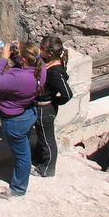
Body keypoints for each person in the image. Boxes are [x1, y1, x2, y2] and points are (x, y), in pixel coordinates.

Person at [0, 41, 41, 198]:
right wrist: (18, 55)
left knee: (22, 155)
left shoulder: (18, 78)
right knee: (23, 149)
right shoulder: (40, 70)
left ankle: (18, 189)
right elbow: (26, 68)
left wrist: (4, 58)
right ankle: (23, 176)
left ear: (24, 60)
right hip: (29, 113)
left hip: (15, 120)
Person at [32, 36, 73, 177]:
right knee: (41, 136)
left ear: (49, 53)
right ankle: (39, 159)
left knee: (47, 139)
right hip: (44, 106)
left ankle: (47, 168)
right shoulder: (49, 61)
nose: (39, 49)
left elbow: (67, 94)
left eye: (41, 48)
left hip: (45, 108)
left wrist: (54, 102)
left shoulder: (55, 71)